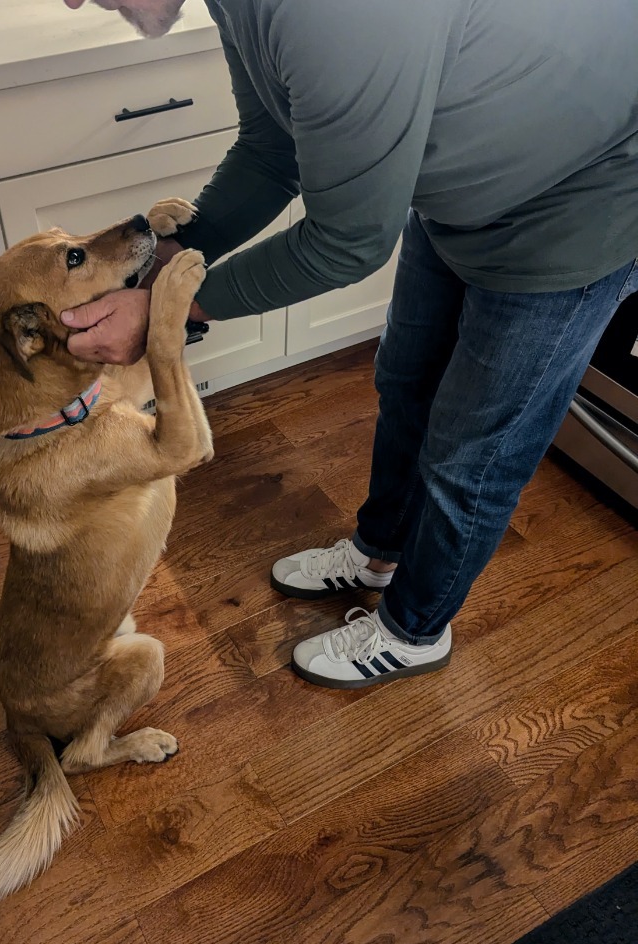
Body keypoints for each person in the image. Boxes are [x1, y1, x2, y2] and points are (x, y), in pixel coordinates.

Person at [61, 0, 638, 689]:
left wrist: (166, 310)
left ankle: (414, 629)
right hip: (460, 195)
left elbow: (346, 243)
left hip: (576, 208)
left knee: (472, 453)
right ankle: (378, 554)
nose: (68, 0)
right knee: (404, 384)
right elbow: (273, 150)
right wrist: (179, 253)